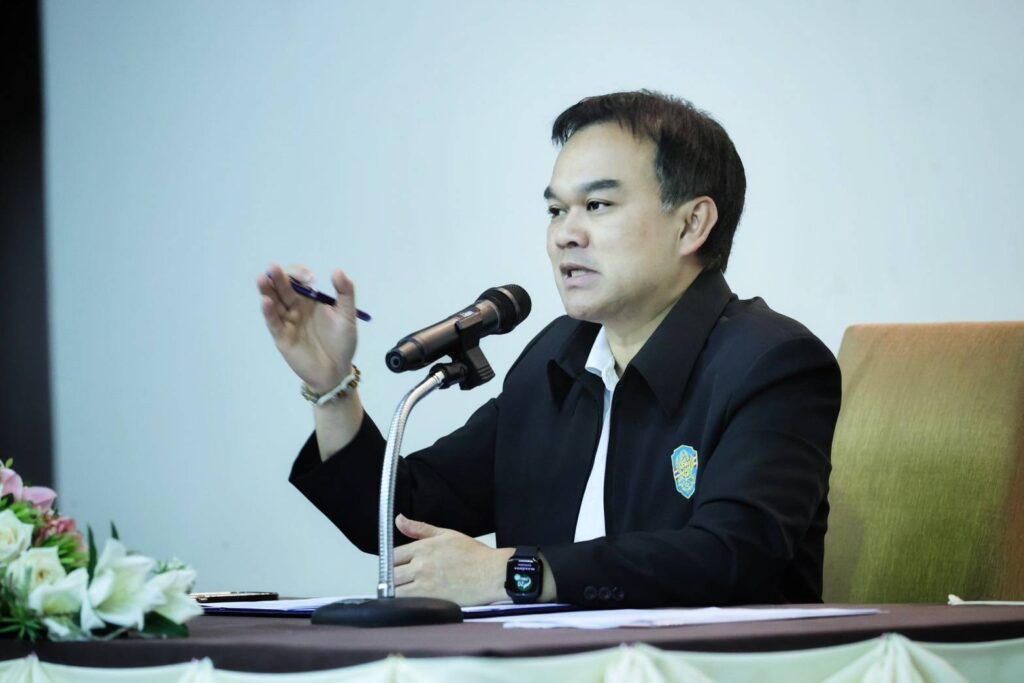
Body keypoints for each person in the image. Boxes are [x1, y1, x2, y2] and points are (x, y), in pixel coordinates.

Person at [257, 91, 841, 608]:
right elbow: (397, 515)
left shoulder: (773, 363)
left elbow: (731, 556)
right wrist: (332, 387)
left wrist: (512, 573)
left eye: (598, 206)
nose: (565, 234)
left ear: (692, 224)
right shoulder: (557, 359)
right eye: (556, 210)